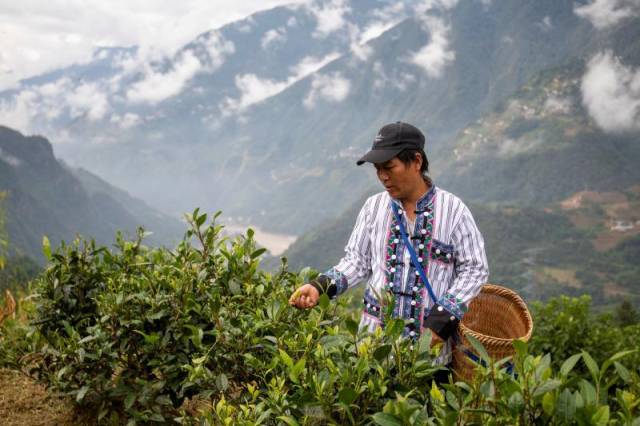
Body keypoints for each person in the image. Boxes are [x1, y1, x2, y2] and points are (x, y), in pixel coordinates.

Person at [289, 121, 489, 367]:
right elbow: (357, 261)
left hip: (431, 357)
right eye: (377, 169)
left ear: (416, 161)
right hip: (373, 351)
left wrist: (441, 321)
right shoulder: (374, 208)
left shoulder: (454, 211)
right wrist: (319, 286)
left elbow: (474, 269)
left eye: (389, 167)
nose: (382, 176)